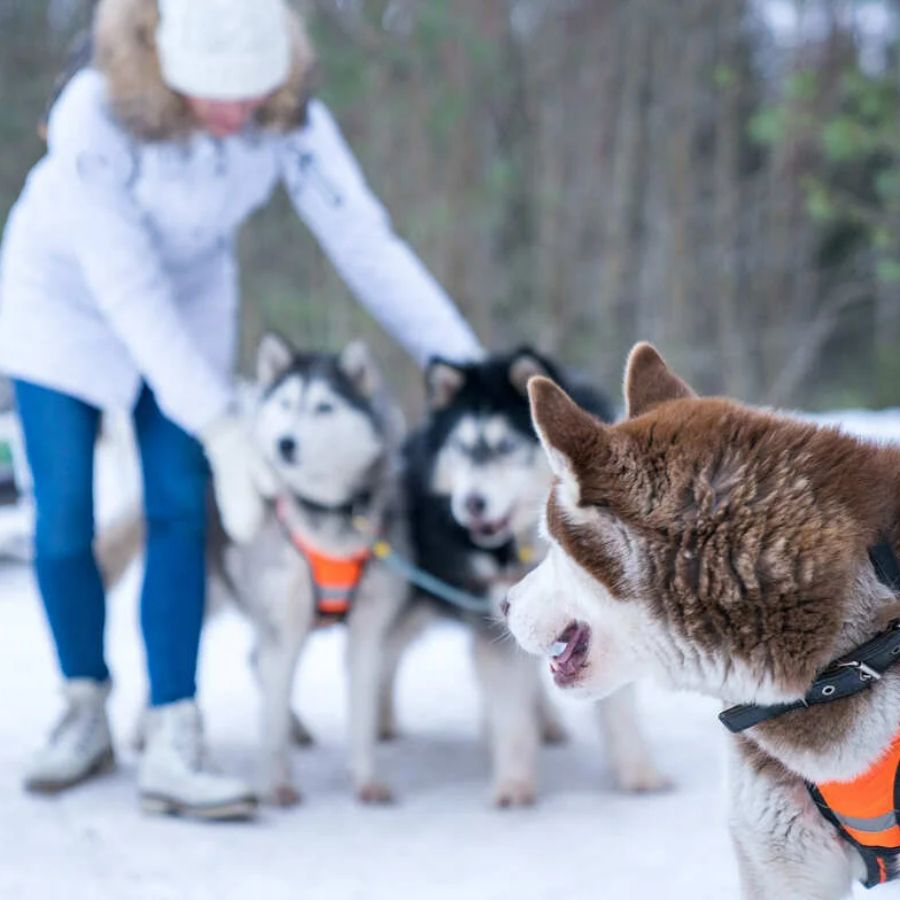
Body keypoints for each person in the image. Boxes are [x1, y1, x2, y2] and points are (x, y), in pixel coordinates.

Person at [0, 0, 482, 820]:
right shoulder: (94, 111)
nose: (232, 117)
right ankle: (85, 703)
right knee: (65, 519)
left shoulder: (287, 118)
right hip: (64, 308)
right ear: (166, 64)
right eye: (211, 96)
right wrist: (222, 426)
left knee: (183, 504)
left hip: (186, 308)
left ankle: (174, 726)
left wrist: (470, 373)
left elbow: (366, 244)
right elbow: (125, 285)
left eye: (248, 96)